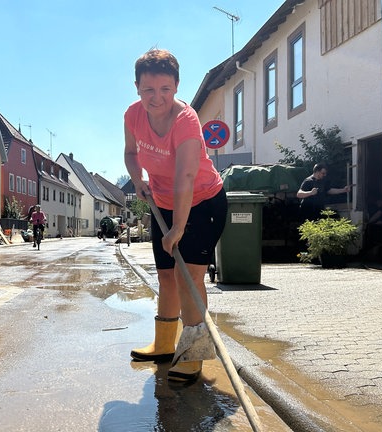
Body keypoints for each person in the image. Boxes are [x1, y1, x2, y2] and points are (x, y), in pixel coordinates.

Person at [124, 48, 227, 383]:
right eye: (148, 90)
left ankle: (193, 353)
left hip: (202, 202)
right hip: (163, 203)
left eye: (165, 89)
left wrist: (178, 227)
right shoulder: (133, 115)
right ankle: (164, 345)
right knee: (166, 276)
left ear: (177, 86)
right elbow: (130, 153)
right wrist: (138, 180)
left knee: (189, 279)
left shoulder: (186, 121)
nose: (157, 98)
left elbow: (186, 176)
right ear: (137, 87)